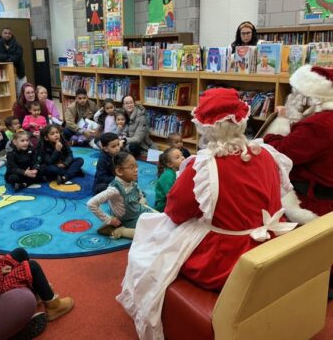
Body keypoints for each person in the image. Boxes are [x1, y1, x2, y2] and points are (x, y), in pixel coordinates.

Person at [117, 87, 297, 339]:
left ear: (204, 127)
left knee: (149, 245)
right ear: (242, 120)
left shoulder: (203, 167)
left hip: (225, 261)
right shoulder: (266, 153)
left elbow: (175, 211)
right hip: (272, 245)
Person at [264, 65, 333, 223]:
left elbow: (279, 151)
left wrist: (281, 121)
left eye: (298, 93)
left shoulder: (319, 125)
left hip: (310, 203)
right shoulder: (322, 118)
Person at [87, 151, 154, 239]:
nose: (136, 169)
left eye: (136, 166)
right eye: (131, 167)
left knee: (162, 219)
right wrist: (109, 220)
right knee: (151, 233)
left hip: (138, 210)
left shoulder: (131, 179)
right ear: (119, 171)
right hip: (128, 219)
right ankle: (117, 231)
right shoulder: (114, 190)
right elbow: (91, 203)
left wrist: (141, 198)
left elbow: (138, 192)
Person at [0, 27, 26, 94]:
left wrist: (4, 57)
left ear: (12, 35)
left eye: (9, 33)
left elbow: (17, 58)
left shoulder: (17, 45)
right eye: (5, 33)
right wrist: (9, 57)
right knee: (10, 96)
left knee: (21, 95)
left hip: (19, 74)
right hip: (4, 76)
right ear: (1, 34)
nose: (7, 35)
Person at [154, 147, 184, 212]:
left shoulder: (175, 171)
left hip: (169, 202)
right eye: (177, 157)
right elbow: (171, 194)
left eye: (181, 155)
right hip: (163, 207)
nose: (182, 158)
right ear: (170, 164)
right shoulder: (168, 175)